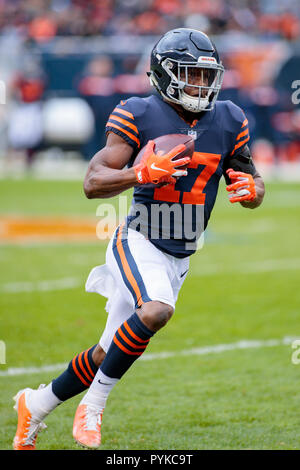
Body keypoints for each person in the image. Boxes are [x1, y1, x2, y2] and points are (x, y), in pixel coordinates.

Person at [13, 28, 265, 450]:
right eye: (189, 75)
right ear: (164, 75)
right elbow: (93, 181)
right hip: (139, 238)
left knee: (105, 353)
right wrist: (139, 173)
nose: (199, 85)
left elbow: (252, 182)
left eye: (206, 76)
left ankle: (34, 405)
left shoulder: (230, 118)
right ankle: (93, 407)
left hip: (181, 254)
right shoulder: (138, 112)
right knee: (156, 311)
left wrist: (253, 191)